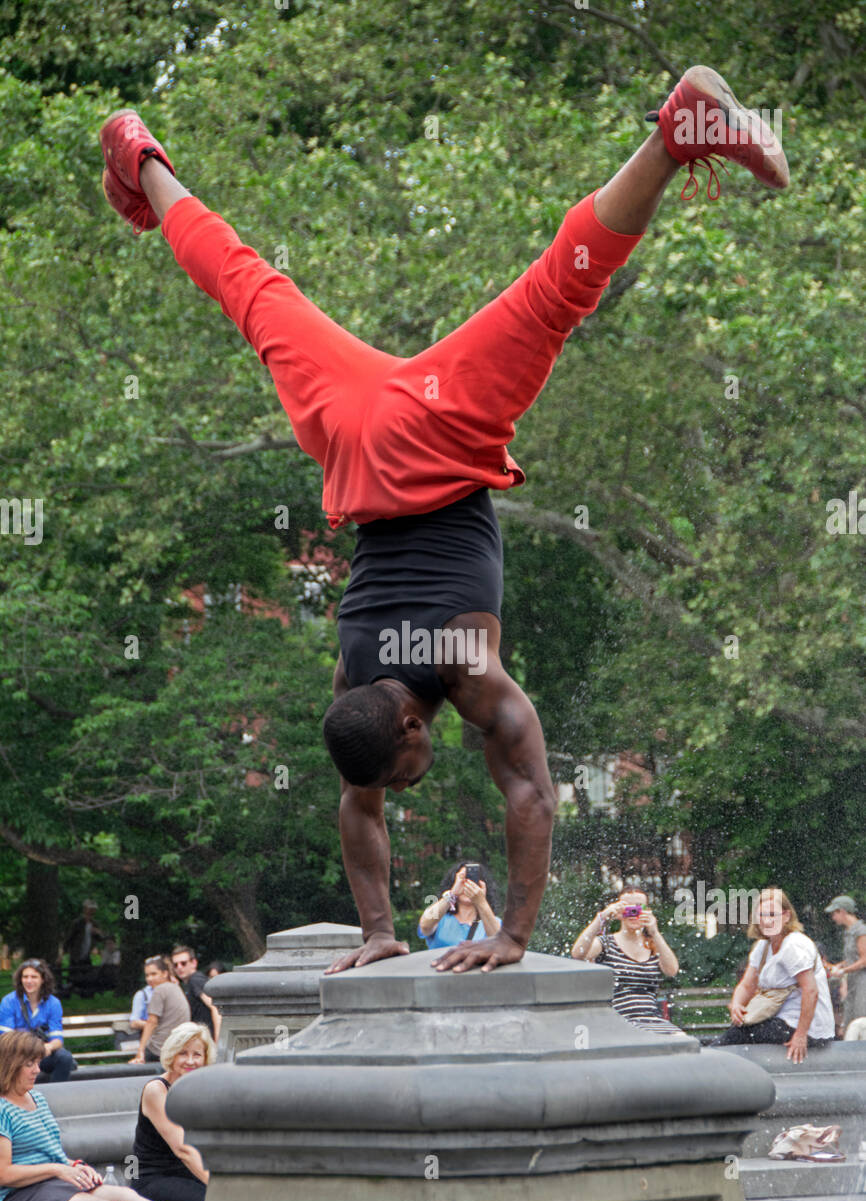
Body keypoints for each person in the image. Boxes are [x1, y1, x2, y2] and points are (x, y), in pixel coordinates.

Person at [99, 67, 788, 976]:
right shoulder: (354, 696)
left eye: (401, 778)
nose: (398, 795)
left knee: (555, 296)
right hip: (353, 430)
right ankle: (138, 155)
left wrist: (511, 938)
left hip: (439, 427)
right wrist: (379, 930)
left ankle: (676, 133)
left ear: (414, 732)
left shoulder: (467, 674)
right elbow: (357, 799)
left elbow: (533, 795)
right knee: (249, 289)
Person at [0, 1030, 200, 1201]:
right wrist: (58, 1170)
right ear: (10, 1065)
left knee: (124, 1195)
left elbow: (49, 1153)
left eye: (37, 1062)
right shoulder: (3, 1109)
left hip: (49, 1184)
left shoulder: (37, 1098)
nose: (37, 1070)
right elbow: (5, 1174)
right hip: (15, 1198)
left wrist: (74, 1165)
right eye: (29, 1064)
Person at [716, 887, 834, 1062]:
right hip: (780, 1020)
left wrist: (801, 1036)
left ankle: (707, 1063)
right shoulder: (763, 947)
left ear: (786, 916)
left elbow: (811, 991)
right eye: (762, 915)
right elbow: (747, 985)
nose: (767, 921)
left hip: (809, 1028)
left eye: (773, 914)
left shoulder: (793, 945)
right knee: (738, 1030)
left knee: (737, 1035)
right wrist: (736, 1005)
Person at [130, 1023, 214, 1201]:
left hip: (189, 1175)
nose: (191, 1061)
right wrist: (219, 1187)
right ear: (171, 1055)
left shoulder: (200, 1087)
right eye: (183, 1053)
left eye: (197, 1054)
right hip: (156, 1179)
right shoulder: (157, 1090)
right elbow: (183, 1149)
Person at [571, 889, 682, 1035]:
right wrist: (602, 918)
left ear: (647, 911)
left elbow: (671, 971)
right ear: (618, 912)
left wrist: (655, 932)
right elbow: (578, 953)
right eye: (628, 907)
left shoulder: (653, 945)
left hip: (651, 1020)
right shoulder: (607, 943)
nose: (634, 912)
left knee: (682, 1041)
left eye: (639, 907)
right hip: (618, 1021)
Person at [0, 960, 75, 1083]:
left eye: (34, 977)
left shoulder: (53, 1003)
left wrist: (48, 1047)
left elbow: (57, 1039)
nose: (29, 981)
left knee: (65, 1058)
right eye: (25, 977)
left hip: (41, 1054)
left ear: (43, 979)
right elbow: (5, 1039)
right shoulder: (8, 1001)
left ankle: (57, 1096)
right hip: (17, 1055)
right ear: (20, 979)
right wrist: (30, 1048)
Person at [418, 863, 501, 950]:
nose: (468, 885)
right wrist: (452, 894)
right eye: (463, 880)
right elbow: (424, 925)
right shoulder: (440, 919)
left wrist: (481, 901)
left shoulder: (493, 921)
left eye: (473, 880)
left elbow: (499, 943)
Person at [128, 957, 190, 1065]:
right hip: (178, 1046)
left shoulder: (159, 990)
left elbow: (152, 1022)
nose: (150, 979)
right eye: (147, 975)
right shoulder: (175, 988)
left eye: (154, 974)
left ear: (165, 973)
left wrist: (141, 1050)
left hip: (159, 1049)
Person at [824, 895, 866, 1033]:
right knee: (849, 1020)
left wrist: (843, 971)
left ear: (842, 911)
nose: (833, 917)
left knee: (860, 1020)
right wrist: (839, 966)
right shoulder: (849, 932)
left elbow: (864, 960)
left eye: (834, 913)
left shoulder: (861, 931)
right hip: (853, 981)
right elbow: (853, 958)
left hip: (862, 982)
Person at [170, 944, 220, 1042]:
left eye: (183, 963)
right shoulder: (188, 984)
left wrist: (218, 1040)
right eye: (175, 965)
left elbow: (215, 1007)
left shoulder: (195, 980)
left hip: (207, 1039)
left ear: (194, 963)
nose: (179, 967)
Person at [63, 899, 103, 997]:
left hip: (87, 953)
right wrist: (64, 951)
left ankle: (85, 993)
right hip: (76, 953)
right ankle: (69, 991)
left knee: (86, 974)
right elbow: (69, 937)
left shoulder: (94, 924)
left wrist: (98, 933)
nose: (91, 912)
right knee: (73, 973)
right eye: (90, 909)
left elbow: (101, 938)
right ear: (85, 909)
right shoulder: (77, 923)